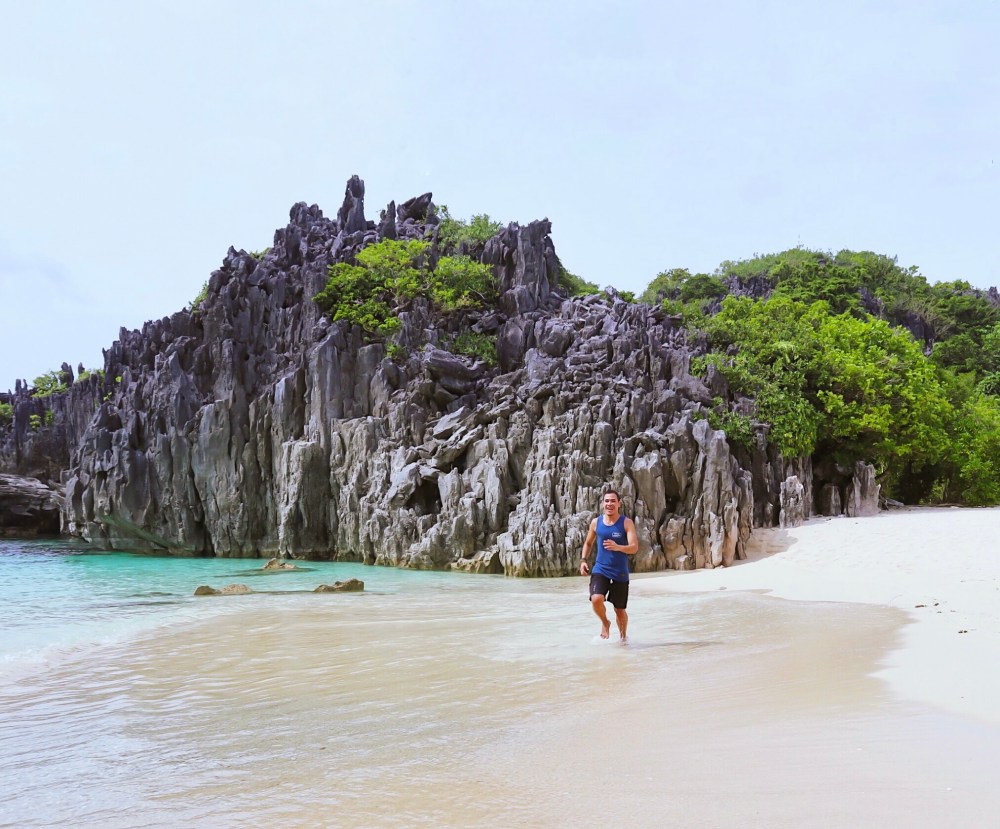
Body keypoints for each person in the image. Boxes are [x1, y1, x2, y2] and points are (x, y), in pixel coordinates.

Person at [579, 489, 639, 641]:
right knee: (596, 599)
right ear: (602, 504)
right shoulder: (596, 522)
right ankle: (605, 623)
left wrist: (618, 547)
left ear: (619, 503)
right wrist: (583, 560)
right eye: (607, 501)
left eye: (613, 501)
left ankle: (623, 638)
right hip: (600, 569)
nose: (609, 504)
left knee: (619, 610)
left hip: (620, 572)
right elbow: (588, 543)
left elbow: (634, 547)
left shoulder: (626, 523)